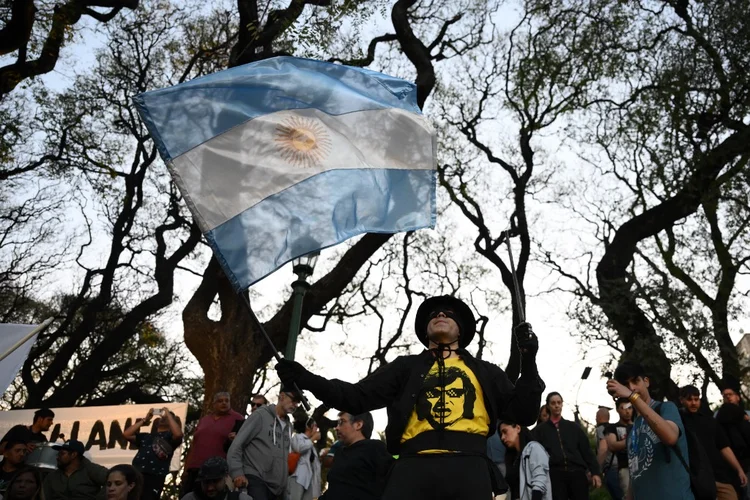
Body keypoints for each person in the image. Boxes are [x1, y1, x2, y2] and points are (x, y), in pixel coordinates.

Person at [276, 295, 544, 499]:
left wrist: (529, 360)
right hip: (412, 468)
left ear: (460, 329)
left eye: (447, 313)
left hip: (469, 468)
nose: (440, 314)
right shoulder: (405, 367)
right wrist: (306, 378)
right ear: (425, 331)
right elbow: (355, 397)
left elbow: (525, 413)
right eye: (433, 315)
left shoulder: (485, 372)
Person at [605, 361, 694, 499]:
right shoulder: (632, 430)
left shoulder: (666, 408)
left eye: (635, 381)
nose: (632, 388)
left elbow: (670, 437)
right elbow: (635, 476)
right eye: (626, 385)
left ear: (646, 381)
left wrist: (631, 396)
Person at [227, 386, 302, 500]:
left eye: (298, 402)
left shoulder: (289, 426)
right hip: (255, 479)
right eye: (294, 400)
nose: (296, 405)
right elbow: (237, 445)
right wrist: (237, 473)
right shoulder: (260, 416)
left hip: (277, 488)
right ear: (282, 396)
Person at [680, 385, 748, 500]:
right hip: (694, 478)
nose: (693, 403)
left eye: (696, 399)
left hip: (718, 475)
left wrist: (739, 469)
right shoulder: (678, 421)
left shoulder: (710, 421)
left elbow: (724, 447)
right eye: (689, 399)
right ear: (681, 400)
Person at [532, 392, 601, 499]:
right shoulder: (540, 431)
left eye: (559, 402)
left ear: (562, 404)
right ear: (548, 406)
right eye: (553, 403)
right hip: (555, 475)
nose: (556, 405)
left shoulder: (573, 427)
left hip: (577, 473)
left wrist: (595, 472)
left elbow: (586, 451)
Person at [181, 392, 244, 496]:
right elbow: (194, 445)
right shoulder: (204, 420)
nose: (224, 403)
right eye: (220, 401)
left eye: (226, 400)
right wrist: (186, 468)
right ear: (213, 404)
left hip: (218, 472)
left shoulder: (238, 419)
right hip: (195, 469)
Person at [319, 412, 394, 500]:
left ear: (358, 425)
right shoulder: (339, 452)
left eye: (341, 422)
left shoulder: (375, 448)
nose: (337, 428)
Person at [123, 407, 183, 500]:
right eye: (162, 417)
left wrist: (168, 414)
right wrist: (145, 420)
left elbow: (178, 434)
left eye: (167, 417)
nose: (164, 418)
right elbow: (126, 434)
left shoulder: (170, 438)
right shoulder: (146, 436)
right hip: (136, 474)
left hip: (154, 477)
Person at [500, 418, 552, 500]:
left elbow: (540, 481)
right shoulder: (513, 458)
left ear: (518, 428)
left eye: (505, 431)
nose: (502, 437)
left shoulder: (534, 448)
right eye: (501, 434)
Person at [43, 439, 108, 500]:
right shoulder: (52, 476)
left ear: (73, 455)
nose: (57, 457)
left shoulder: (91, 469)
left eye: (62, 454)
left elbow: (112, 478)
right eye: (58, 454)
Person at [180, 457, 252, 500]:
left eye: (215, 481)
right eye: (206, 482)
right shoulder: (190, 498)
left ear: (225, 478)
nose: (210, 488)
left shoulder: (241, 499)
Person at [604, 398, 633, 499]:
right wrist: (633, 440)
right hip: (624, 467)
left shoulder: (638, 425)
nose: (627, 411)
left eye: (629, 408)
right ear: (617, 410)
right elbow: (612, 445)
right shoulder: (612, 428)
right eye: (623, 408)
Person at [288, 417, 321, 500]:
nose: (317, 429)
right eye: (315, 426)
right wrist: (313, 439)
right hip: (298, 477)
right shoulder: (298, 437)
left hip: (309, 480)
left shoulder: (312, 446)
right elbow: (299, 448)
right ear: (308, 427)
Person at [595, 407, 621, 500]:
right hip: (621, 467)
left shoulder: (601, 429)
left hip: (611, 468)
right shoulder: (614, 429)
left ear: (599, 417)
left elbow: (603, 449)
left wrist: (596, 469)